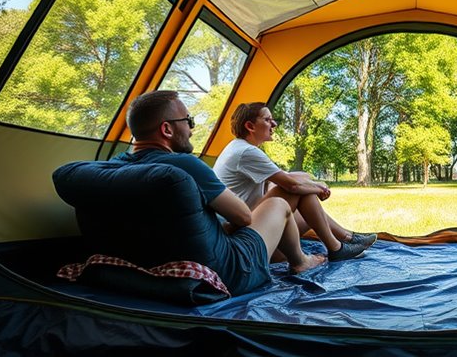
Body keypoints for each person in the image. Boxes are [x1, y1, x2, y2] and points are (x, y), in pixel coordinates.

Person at [119, 90, 325, 292]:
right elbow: (243, 216)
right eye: (188, 121)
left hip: (154, 265)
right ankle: (302, 261)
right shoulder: (185, 165)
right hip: (229, 271)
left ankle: (330, 243)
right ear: (167, 130)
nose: (191, 130)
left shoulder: (114, 168)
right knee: (278, 204)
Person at [214, 102, 376, 262]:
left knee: (308, 208)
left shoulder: (238, 148)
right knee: (300, 193)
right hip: (242, 236)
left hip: (246, 227)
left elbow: (289, 177)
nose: (274, 124)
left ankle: (346, 238)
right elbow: (291, 184)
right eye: (267, 120)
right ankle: (338, 246)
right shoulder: (247, 152)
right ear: (250, 126)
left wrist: (312, 183)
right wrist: (317, 187)